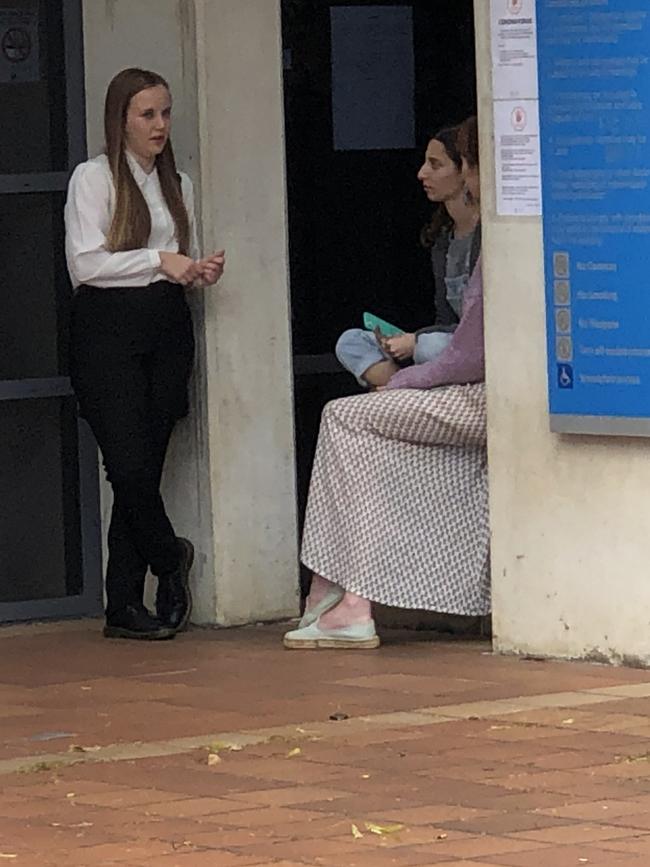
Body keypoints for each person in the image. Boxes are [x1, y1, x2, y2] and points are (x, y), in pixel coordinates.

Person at [284, 115, 487, 650]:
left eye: (453, 164)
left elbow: (466, 355)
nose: (428, 173)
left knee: (342, 416)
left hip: (480, 395)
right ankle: (332, 593)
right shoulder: (452, 238)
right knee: (348, 408)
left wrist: (404, 383)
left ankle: (346, 599)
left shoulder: (500, 240)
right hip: (460, 383)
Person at [65, 68, 225, 641]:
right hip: (106, 331)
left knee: (144, 470)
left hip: (164, 327)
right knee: (127, 467)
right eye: (147, 115)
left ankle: (124, 605)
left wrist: (194, 270)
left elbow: (177, 263)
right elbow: (86, 264)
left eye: (165, 113)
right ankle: (168, 558)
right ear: (121, 120)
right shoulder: (94, 178)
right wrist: (159, 259)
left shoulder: (176, 181)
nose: (159, 125)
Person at [335, 125, 481, 389]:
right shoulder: (444, 239)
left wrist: (417, 340)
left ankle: (398, 391)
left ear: (464, 172)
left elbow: (475, 329)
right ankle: (406, 391)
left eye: (435, 165)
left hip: (470, 348)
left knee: (431, 346)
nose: (422, 173)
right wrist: (406, 340)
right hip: (443, 343)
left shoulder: (487, 235)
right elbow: (444, 318)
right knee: (351, 342)